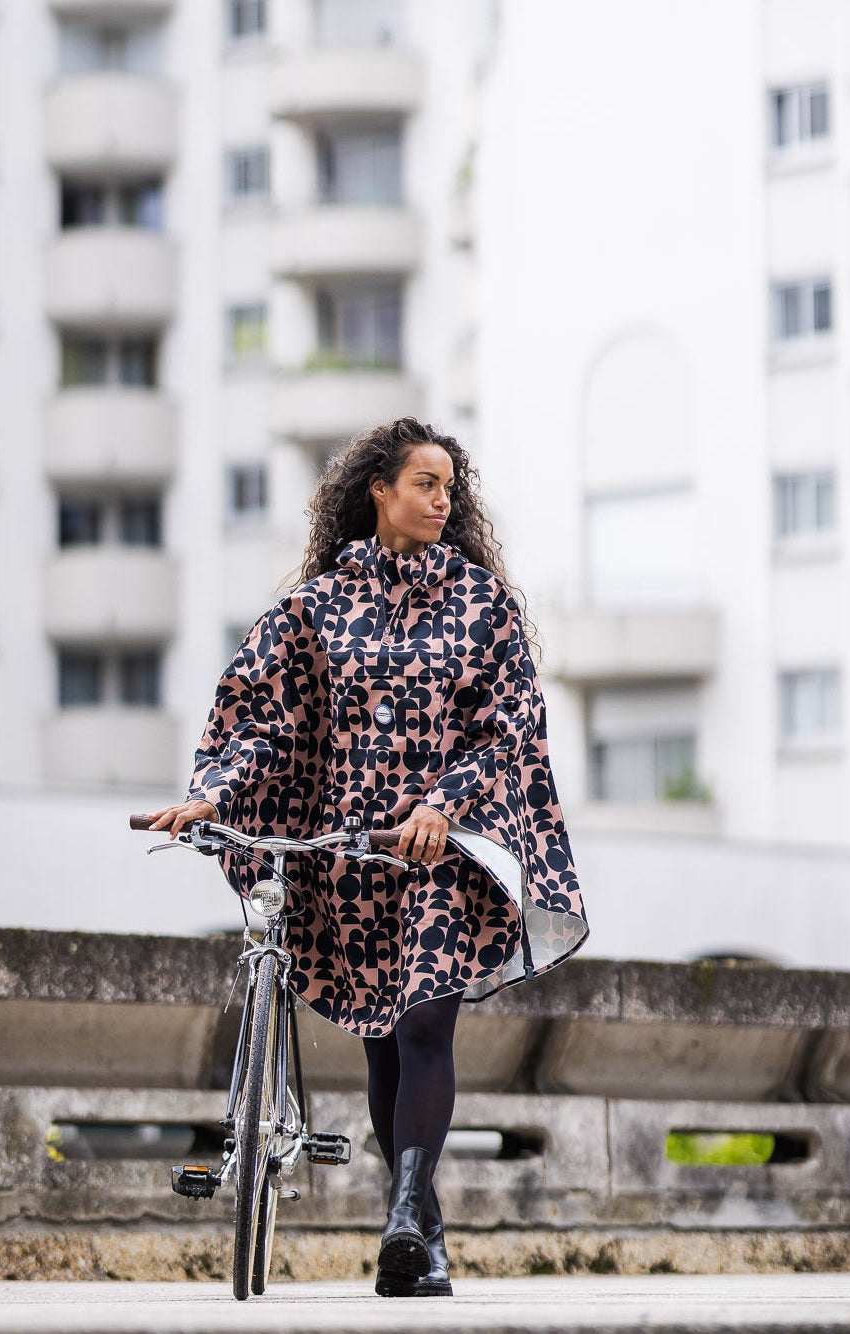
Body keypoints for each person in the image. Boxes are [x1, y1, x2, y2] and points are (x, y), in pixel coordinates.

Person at [147, 417, 588, 1297]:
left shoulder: (484, 605)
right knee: (385, 1043)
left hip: (441, 851)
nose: (442, 500)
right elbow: (260, 718)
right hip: (350, 854)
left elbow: (510, 730)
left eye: (450, 488)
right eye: (425, 484)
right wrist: (214, 792)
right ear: (378, 490)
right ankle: (422, 1242)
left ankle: (400, 1217)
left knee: (427, 1020)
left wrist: (441, 803)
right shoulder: (313, 609)